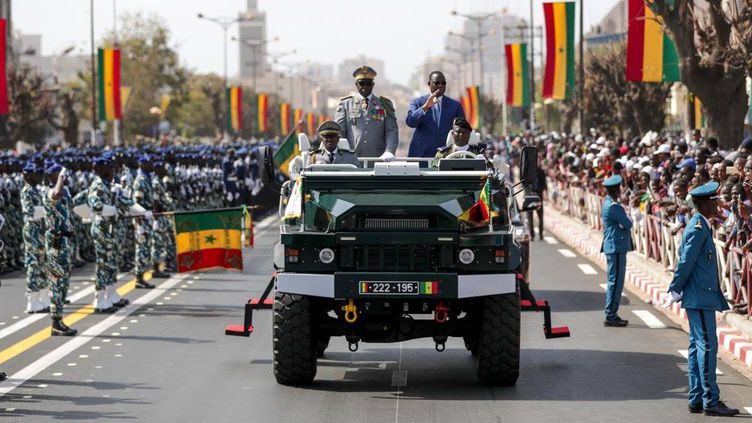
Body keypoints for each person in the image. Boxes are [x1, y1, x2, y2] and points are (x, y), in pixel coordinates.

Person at [662, 181, 739, 417]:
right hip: (699, 296)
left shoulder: (700, 225)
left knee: (697, 347)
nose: (718, 204)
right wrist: (675, 288)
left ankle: (696, 397)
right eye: (715, 201)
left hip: (700, 295)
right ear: (705, 204)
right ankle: (710, 400)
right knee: (706, 347)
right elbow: (686, 261)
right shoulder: (697, 228)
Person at [87, 156, 130, 313]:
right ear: (100, 170)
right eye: (109, 168)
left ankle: (111, 294)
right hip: (102, 228)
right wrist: (115, 211)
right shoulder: (97, 185)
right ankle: (99, 299)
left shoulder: (109, 186)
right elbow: (96, 206)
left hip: (110, 228)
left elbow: (123, 203)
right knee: (103, 263)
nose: (113, 170)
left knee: (111, 262)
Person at [334, 65, 398, 159]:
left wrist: (389, 151)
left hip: (378, 158)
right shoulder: (345, 104)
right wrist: (342, 154)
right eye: (361, 83)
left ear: (373, 84)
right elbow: (340, 132)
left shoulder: (384, 104)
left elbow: (391, 130)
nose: (364, 86)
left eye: (368, 83)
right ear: (356, 84)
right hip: (352, 158)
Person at [43, 162, 77, 336]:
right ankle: (56, 323)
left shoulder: (64, 192)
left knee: (63, 283)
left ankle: (60, 319)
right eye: (57, 174)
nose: (62, 176)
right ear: (51, 177)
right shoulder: (48, 191)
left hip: (64, 242)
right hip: (56, 243)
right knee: (56, 282)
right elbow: (56, 193)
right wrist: (61, 178)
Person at [406, 71, 466, 158]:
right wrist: (425, 107)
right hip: (421, 155)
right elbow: (410, 122)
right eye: (437, 83)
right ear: (429, 84)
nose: (440, 85)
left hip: (446, 156)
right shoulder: (417, 102)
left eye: (443, 83)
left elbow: (463, 130)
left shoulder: (455, 105)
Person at [601, 174, 633, 327]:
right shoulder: (613, 206)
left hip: (614, 245)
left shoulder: (609, 203)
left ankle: (612, 313)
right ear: (616, 190)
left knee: (615, 281)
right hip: (616, 246)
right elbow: (627, 223)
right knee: (616, 282)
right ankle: (611, 314)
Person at [20, 162, 49, 314]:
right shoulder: (27, 191)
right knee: (33, 263)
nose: (39, 176)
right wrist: (47, 210)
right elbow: (30, 212)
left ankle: (42, 297)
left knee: (42, 263)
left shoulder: (35, 190)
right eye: (36, 173)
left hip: (39, 229)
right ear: (28, 175)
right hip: (32, 230)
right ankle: (32, 300)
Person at [528, 156, 548, 240]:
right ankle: (531, 235)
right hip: (529, 197)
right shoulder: (527, 172)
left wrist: (540, 191)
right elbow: (524, 184)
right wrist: (530, 191)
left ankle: (541, 234)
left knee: (540, 216)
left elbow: (544, 184)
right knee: (530, 217)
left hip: (538, 196)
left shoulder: (541, 172)